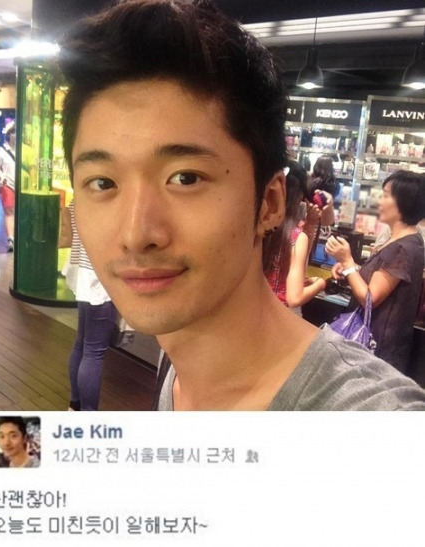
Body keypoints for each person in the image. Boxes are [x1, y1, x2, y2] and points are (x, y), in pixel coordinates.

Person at [59, 0, 425, 410]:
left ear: (270, 203)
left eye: (186, 178)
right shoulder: (179, 363)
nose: (135, 234)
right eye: (103, 182)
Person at [325, 170, 425, 374]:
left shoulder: (403, 247)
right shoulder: (399, 240)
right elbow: (381, 279)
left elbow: (370, 298)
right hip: (373, 345)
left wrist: (347, 261)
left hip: (377, 350)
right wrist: (351, 269)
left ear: (403, 202)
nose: (379, 200)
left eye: (386, 195)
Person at [62, 200, 117, 411]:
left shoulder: (79, 198)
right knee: (94, 351)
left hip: (82, 275)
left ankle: (75, 405)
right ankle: (88, 412)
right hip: (98, 280)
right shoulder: (108, 203)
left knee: (82, 344)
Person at [263, 161, 326, 314]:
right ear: (299, 195)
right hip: (281, 315)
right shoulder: (296, 236)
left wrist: (310, 225)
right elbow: (294, 298)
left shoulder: (260, 227)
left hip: (254, 311)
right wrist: (321, 283)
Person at [0, 122, 16, 252]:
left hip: (22, 186)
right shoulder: (1, 150)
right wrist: (2, 177)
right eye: (13, 132)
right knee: (9, 212)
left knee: (19, 213)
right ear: (9, 134)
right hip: (7, 185)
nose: (16, 135)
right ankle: (10, 238)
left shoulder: (23, 149)